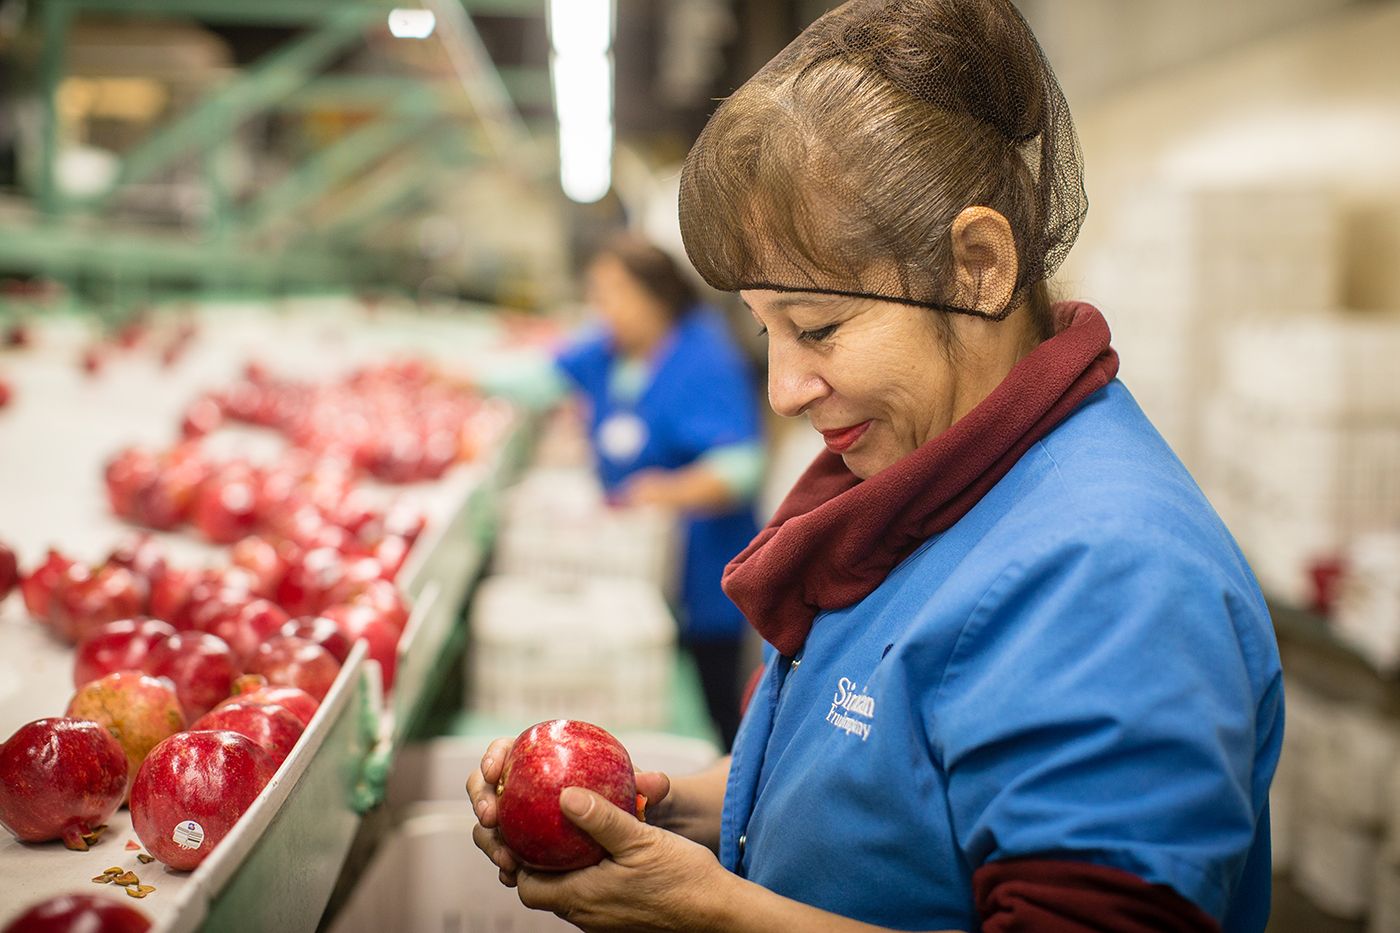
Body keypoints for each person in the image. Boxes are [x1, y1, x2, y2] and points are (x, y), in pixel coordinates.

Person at [469, 2, 1282, 930]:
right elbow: (892, 768)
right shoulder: (929, 480)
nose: (782, 388)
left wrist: (716, 915)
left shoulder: (1116, 575)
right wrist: (671, 809)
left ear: (977, 265)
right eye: (764, 330)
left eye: (817, 327)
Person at [553, 234, 764, 750]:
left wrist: (668, 491)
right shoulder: (608, 351)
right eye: (596, 297)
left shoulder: (704, 358)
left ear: (657, 296)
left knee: (714, 700)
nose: (603, 310)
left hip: (703, 572)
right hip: (632, 571)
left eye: (614, 295)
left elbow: (742, 467)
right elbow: (542, 375)